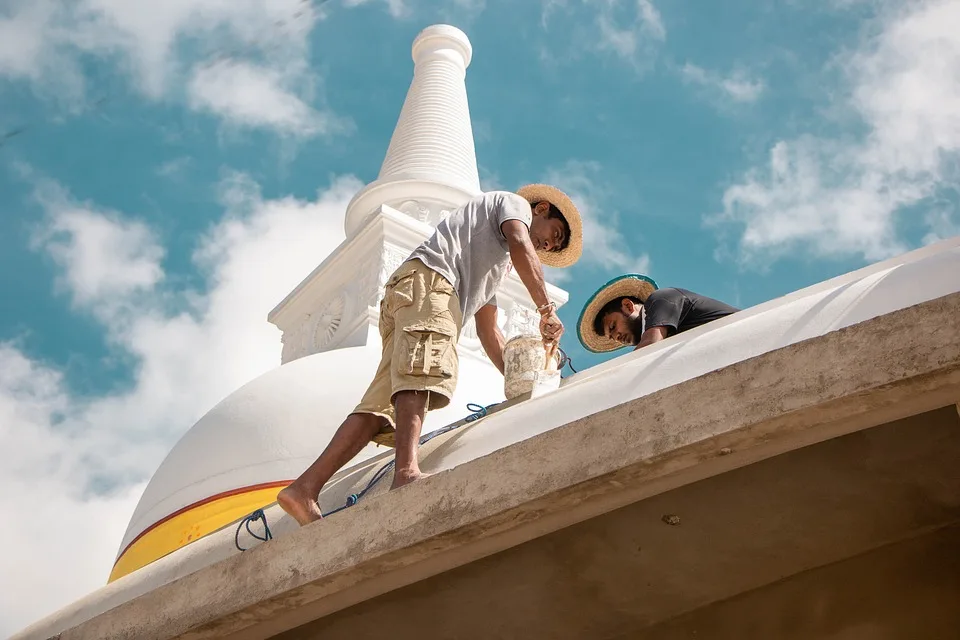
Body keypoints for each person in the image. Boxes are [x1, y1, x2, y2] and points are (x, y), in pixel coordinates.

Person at [279, 185, 584, 526]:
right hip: (431, 286)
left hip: (414, 292)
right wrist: (545, 308)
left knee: (381, 407)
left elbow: (488, 330)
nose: (546, 245)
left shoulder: (491, 261)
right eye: (552, 234)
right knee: (421, 371)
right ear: (540, 209)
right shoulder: (512, 207)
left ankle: (305, 488)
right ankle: (406, 472)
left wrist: (520, 381)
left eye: (553, 247)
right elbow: (520, 242)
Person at [577, 274, 739, 353]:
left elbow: (650, 345)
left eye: (613, 326)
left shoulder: (660, 299)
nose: (616, 337)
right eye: (612, 338)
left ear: (627, 306)